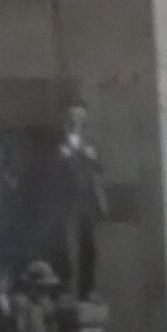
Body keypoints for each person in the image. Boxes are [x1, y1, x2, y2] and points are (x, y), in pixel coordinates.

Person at [56, 100, 109, 302]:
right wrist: (60, 158)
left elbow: (102, 168)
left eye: (79, 116)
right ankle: (66, 289)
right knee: (68, 246)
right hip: (67, 201)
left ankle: (88, 290)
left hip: (87, 201)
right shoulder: (57, 140)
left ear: (84, 118)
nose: (75, 120)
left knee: (90, 247)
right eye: (71, 116)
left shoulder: (91, 140)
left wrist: (93, 157)